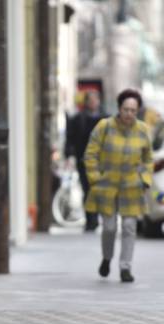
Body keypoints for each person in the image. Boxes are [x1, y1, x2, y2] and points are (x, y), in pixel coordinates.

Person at [84, 89, 153, 283]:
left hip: (132, 185)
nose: (129, 114)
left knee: (130, 226)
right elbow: (90, 153)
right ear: (119, 108)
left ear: (137, 111)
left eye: (133, 110)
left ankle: (125, 267)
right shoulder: (104, 126)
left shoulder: (143, 130)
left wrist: (144, 179)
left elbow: (148, 158)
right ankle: (107, 258)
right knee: (109, 227)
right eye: (126, 109)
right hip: (106, 185)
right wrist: (95, 177)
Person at [65, 90, 107, 231]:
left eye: (95, 100)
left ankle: (98, 218)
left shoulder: (105, 119)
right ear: (86, 102)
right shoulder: (78, 119)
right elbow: (70, 139)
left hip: (102, 161)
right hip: (84, 160)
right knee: (87, 190)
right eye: (90, 100)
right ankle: (90, 220)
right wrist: (69, 155)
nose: (93, 103)